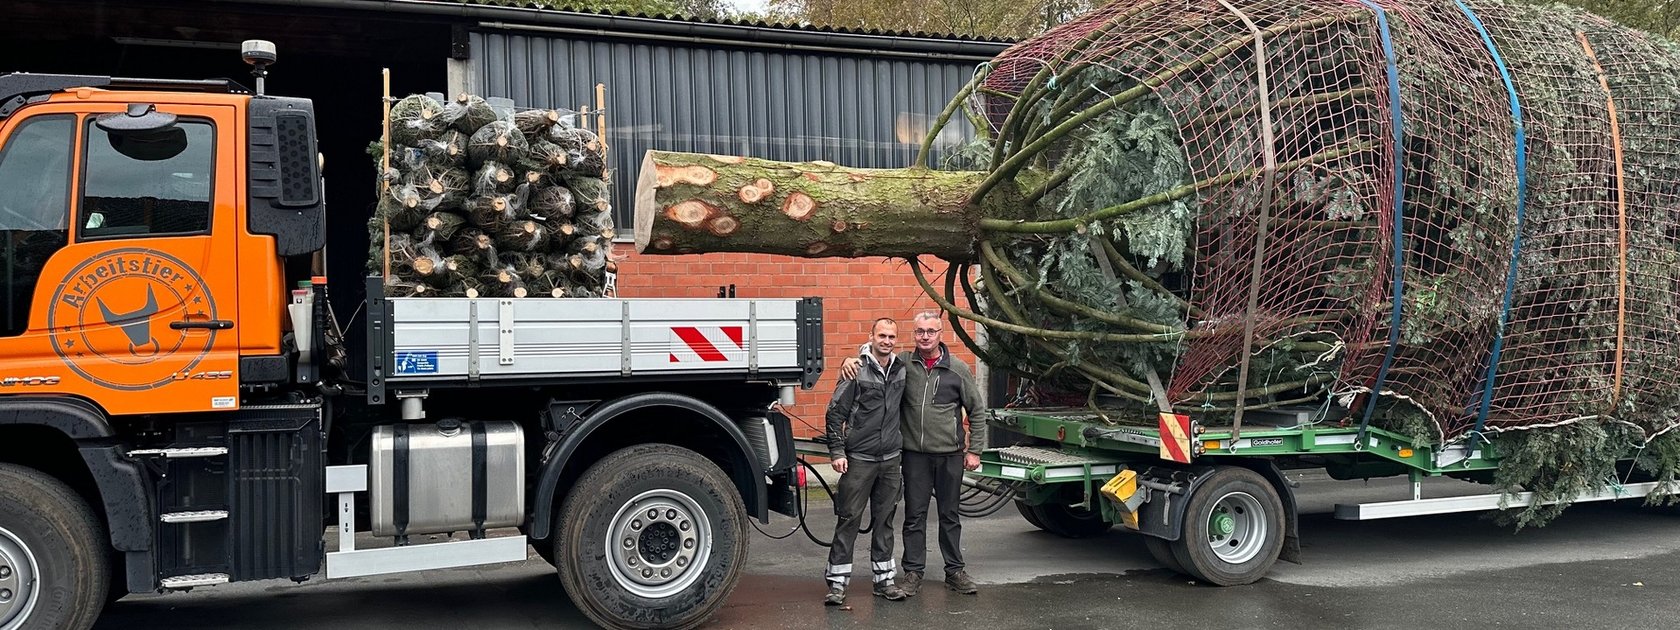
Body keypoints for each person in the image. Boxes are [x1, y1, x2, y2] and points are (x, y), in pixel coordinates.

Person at [841, 311, 984, 596]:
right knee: (914, 516)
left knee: (950, 515)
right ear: (914, 334)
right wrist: (852, 359)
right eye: (920, 331)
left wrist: (975, 450)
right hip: (913, 456)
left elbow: (977, 410)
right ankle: (913, 573)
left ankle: (954, 570)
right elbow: (877, 355)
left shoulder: (957, 369)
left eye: (931, 331)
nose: (925, 336)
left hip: (950, 454)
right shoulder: (904, 364)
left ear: (941, 334)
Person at [822, 317, 910, 606]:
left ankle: (884, 581)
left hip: (889, 460)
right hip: (859, 459)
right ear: (871, 336)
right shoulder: (855, 370)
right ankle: (837, 584)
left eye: (891, 336)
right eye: (882, 335)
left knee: (885, 521)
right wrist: (837, 452)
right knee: (848, 519)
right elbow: (835, 413)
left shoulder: (901, 369)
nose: (886, 341)